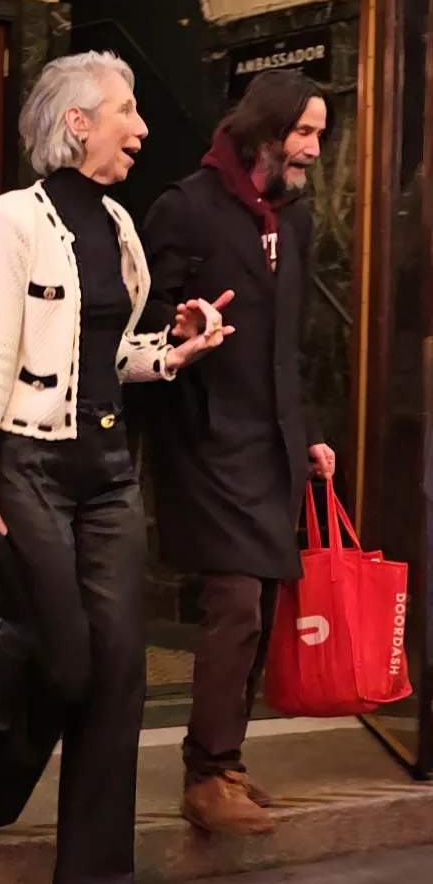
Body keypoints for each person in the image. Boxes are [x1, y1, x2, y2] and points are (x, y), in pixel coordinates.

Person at [0, 51, 232, 884]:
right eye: (125, 110)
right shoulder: (12, 219)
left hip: (107, 472)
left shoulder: (118, 224)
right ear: (78, 122)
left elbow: (108, 356)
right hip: (28, 465)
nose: (141, 128)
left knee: (118, 674)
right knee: (65, 661)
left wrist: (172, 351)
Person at [141, 70, 336, 836]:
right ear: (265, 130)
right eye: (305, 132)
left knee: (262, 605)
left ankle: (226, 763)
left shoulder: (296, 218)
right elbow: (141, 317)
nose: (315, 149)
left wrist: (308, 427)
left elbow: (292, 341)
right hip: (205, 438)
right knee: (235, 603)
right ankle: (205, 773)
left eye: (319, 134)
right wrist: (180, 326)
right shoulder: (186, 207)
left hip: (271, 441)